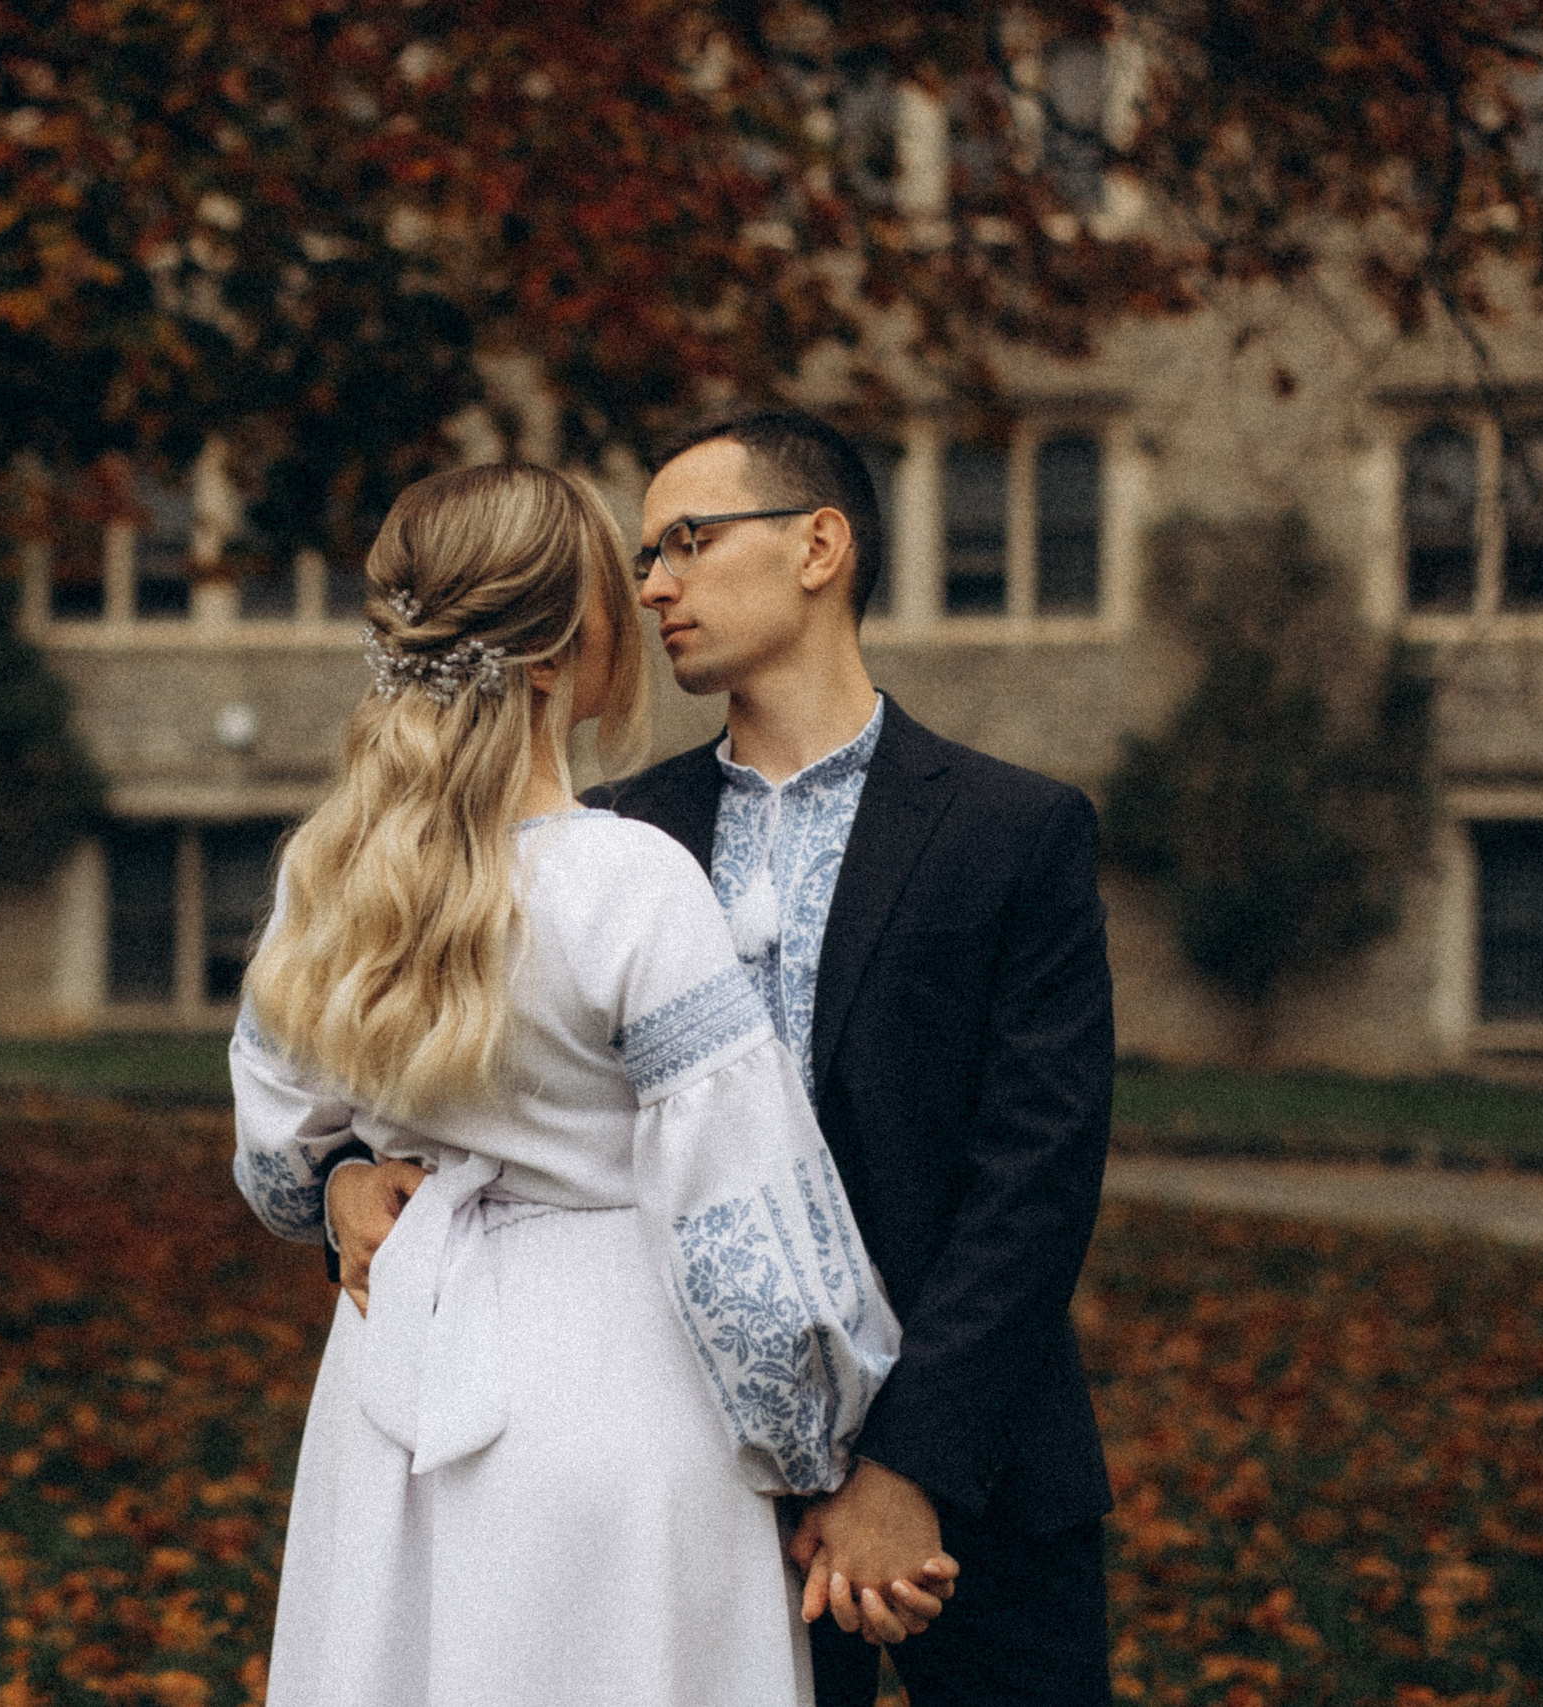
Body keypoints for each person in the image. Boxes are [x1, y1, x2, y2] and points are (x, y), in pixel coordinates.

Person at [331, 411, 1118, 1706]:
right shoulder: (610, 837)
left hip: (975, 1470)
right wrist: (353, 1178)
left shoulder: (1013, 829)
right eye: (640, 556)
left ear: (819, 545)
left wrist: (904, 1470)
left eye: (688, 542)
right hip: (692, 1470)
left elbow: (1035, 1176)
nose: (649, 586)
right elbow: (452, 1080)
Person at [230, 461, 903, 1707]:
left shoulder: (328, 877)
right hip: (617, 1394)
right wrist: (823, 1457)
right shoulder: (627, 881)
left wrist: (343, 1192)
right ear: (557, 651)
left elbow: (278, 1157)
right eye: (615, 588)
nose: (645, 606)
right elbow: (743, 1226)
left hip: (393, 1401)